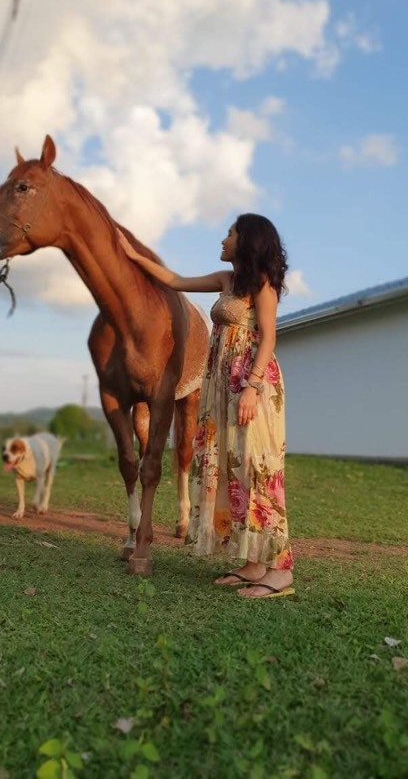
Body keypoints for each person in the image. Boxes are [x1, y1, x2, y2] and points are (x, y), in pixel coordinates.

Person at [117, 214, 294, 599]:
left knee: (258, 470)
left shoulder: (263, 286)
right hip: (222, 388)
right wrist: (132, 254)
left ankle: (280, 571)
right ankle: (252, 564)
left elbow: (268, 339)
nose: (223, 238)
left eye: (230, 233)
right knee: (233, 470)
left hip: (251, 387)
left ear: (246, 241)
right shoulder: (227, 281)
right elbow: (175, 281)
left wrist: (251, 387)